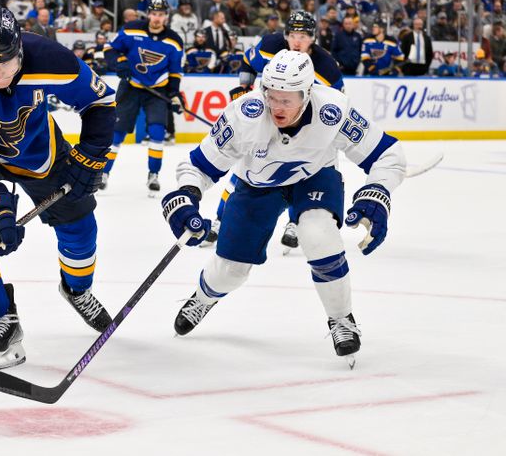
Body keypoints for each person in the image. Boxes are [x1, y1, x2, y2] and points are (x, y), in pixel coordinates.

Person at [161, 49, 406, 367]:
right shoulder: (243, 114)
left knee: (317, 234)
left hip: (315, 176)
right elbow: (199, 165)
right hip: (257, 184)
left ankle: (341, 319)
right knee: (230, 271)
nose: (276, 107)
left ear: (307, 94)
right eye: (271, 96)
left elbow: (387, 154)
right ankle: (203, 297)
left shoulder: (332, 110)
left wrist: (378, 191)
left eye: (286, 100)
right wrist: (187, 194)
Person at [0, 7, 116, 369]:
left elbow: (99, 102)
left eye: (5, 61)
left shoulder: (49, 57)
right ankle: (1, 316)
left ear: (20, 50)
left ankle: (77, 290)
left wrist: (90, 157)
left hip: (37, 151)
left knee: (80, 227)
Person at [203, 10, 344, 251]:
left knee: (300, 174)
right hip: (267, 121)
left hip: (304, 131)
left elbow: (338, 102)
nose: (297, 41)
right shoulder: (270, 45)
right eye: (292, 34)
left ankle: (293, 223)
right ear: (285, 35)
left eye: (303, 35)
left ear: (313, 38)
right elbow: (248, 62)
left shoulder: (326, 67)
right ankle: (220, 220)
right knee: (244, 170)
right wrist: (243, 88)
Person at [101, 0, 185, 195]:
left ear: (166, 16)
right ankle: (103, 173)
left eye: (161, 14)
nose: (157, 18)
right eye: (154, 14)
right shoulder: (132, 29)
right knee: (117, 133)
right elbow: (109, 49)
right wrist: (120, 63)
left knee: (157, 132)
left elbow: (175, 71)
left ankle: (153, 175)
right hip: (130, 87)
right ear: (148, 14)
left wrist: (174, 93)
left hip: (157, 90)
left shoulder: (174, 40)